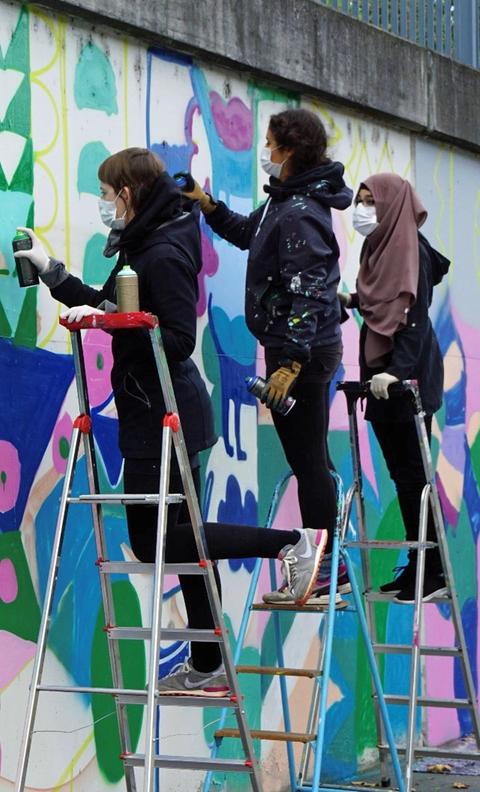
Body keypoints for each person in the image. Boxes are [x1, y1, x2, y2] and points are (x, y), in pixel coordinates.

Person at [15, 147, 327, 697]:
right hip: (155, 410)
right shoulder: (145, 244)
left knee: (157, 539)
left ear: (129, 195)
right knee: (182, 539)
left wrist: (115, 322)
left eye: (107, 193)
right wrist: (53, 274)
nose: (103, 203)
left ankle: (290, 542)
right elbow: (110, 305)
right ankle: (208, 659)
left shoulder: (161, 253)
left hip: (163, 414)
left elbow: (178, 336)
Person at [182, 109, 353, 603]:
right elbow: (246, 234)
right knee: (309, 460)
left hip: (302, 353)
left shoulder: (299, 212)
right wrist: (207, 204)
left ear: (289, 151)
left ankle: (323, 571)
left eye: (270, 143)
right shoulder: (285, 203)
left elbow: (310, 293)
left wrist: (290, 364)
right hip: (294, 350)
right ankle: (325, 567)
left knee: (309, 463)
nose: (264, 150)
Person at [341, 173, 450, 602]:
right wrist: (353, 301)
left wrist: (400, 372)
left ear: (392, 205)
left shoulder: (411, 252)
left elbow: (414, 317)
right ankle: (418, 563)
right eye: (360, 200)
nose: (363, 210)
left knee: (415, 477)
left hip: (407, 378)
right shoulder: (379, 247)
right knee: (401, 475)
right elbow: (381, 302)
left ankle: (434, 569)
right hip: (382, 376)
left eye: (371, 202)